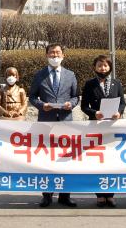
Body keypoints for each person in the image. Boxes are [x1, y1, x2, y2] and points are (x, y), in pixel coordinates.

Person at [29, 43, 79, 208]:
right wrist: (41, 105)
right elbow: (32, 97)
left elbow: (75, 97)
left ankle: (65, 195)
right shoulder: (39, 75)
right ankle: (47, 195)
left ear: (63, 55)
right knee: (46, 159)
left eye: (58, 53)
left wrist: (70, 105)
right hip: (46, 121)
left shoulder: (70, 75)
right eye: (51, 53)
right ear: (46, 55)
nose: (55, 55)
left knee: (66, 159)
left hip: (65, 121)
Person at [80, 55, 125, 208]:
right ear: (95, 67)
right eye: (100, 65)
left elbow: (123, 103)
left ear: (110, 67)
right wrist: (94, 113)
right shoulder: (89, 84)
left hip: (112, 127)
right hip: (95, 126)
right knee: (97, 160)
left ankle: (110, 195)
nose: (103, 68)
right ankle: (99, 194)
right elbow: (84, 106)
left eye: (105, 66)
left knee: (112, 160)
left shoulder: (117, 83)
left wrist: (119, 112)